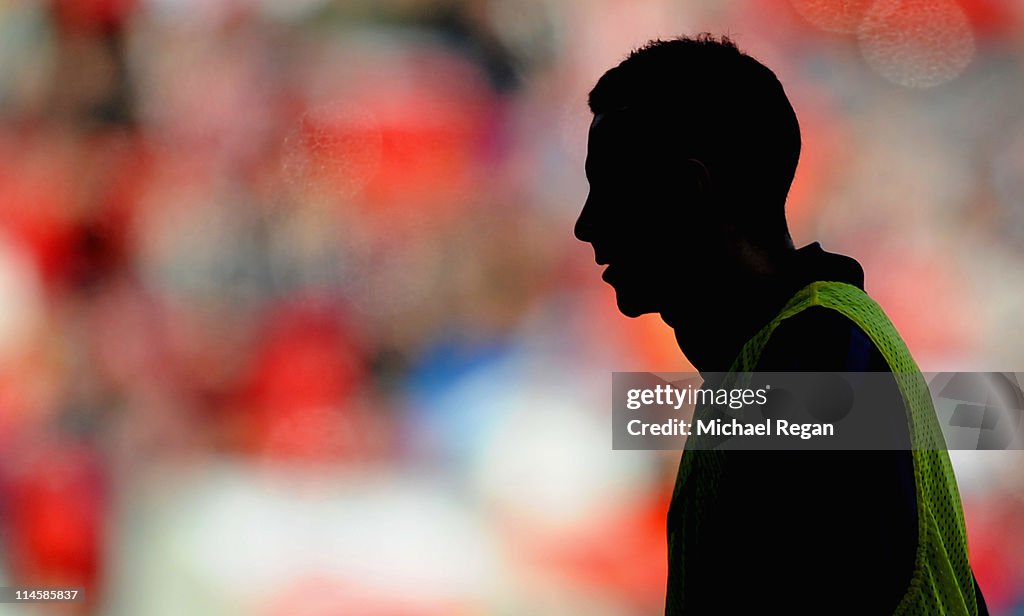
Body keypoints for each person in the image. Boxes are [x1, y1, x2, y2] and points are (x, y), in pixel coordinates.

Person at [574, 34, 988, 615]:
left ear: (691, 194)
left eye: (609, 189)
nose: (585, 226)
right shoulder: (785, 358)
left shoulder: (811, 361)